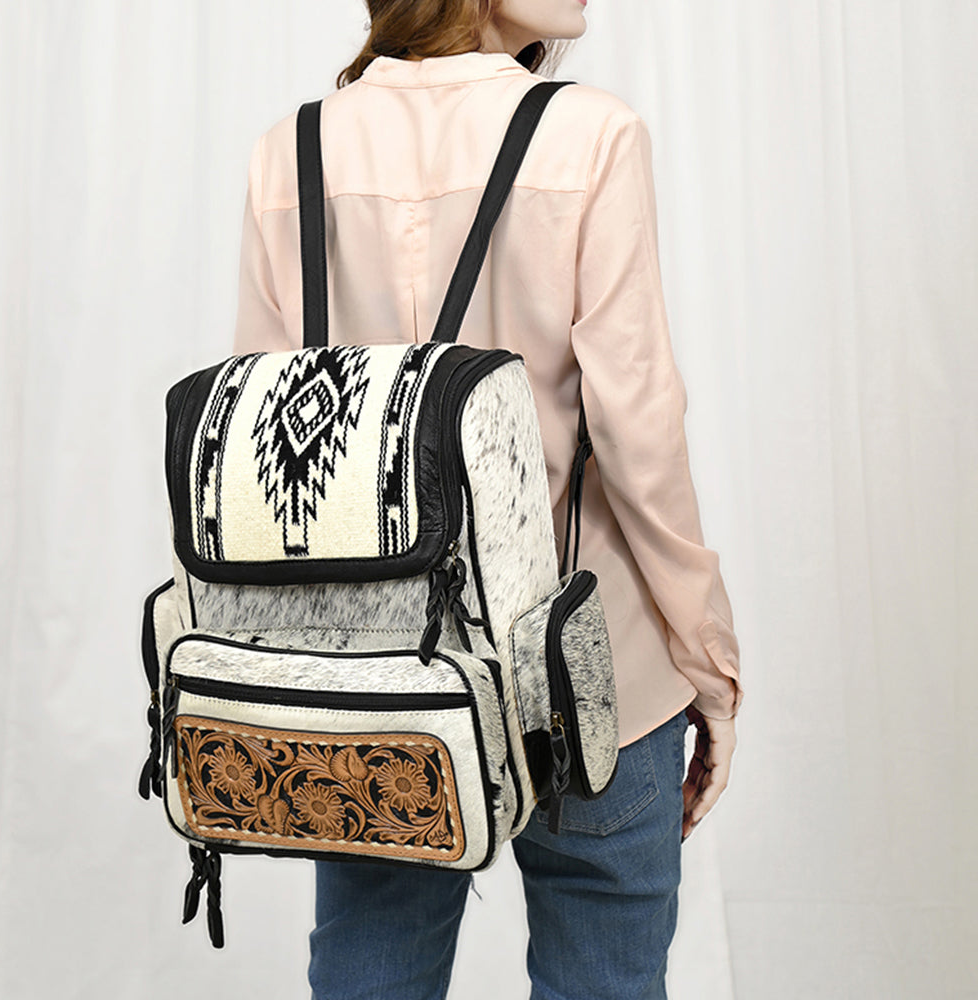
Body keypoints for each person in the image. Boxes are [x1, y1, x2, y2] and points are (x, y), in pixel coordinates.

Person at [231, 3, 744, 997]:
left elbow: (266, 451)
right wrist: (708, 659)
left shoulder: (290, 152)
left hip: (379, 675)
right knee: (603, 973)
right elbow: (639, 435)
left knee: (371, 968)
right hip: (588, 663)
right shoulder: (589, 133)